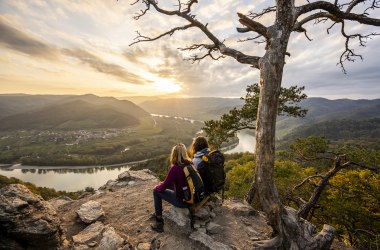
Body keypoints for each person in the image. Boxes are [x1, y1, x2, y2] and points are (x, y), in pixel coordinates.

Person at [151, 143, 191, 233]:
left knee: (155, 191)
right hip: (192, 196)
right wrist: (164, 184)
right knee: (165, 185)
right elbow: (176, 182)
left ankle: (159, 222)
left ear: (174, 154)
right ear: (184, 153)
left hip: (183, 201)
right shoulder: (190, 164)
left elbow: (162, 188)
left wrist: (158, 186)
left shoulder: (175, 168)